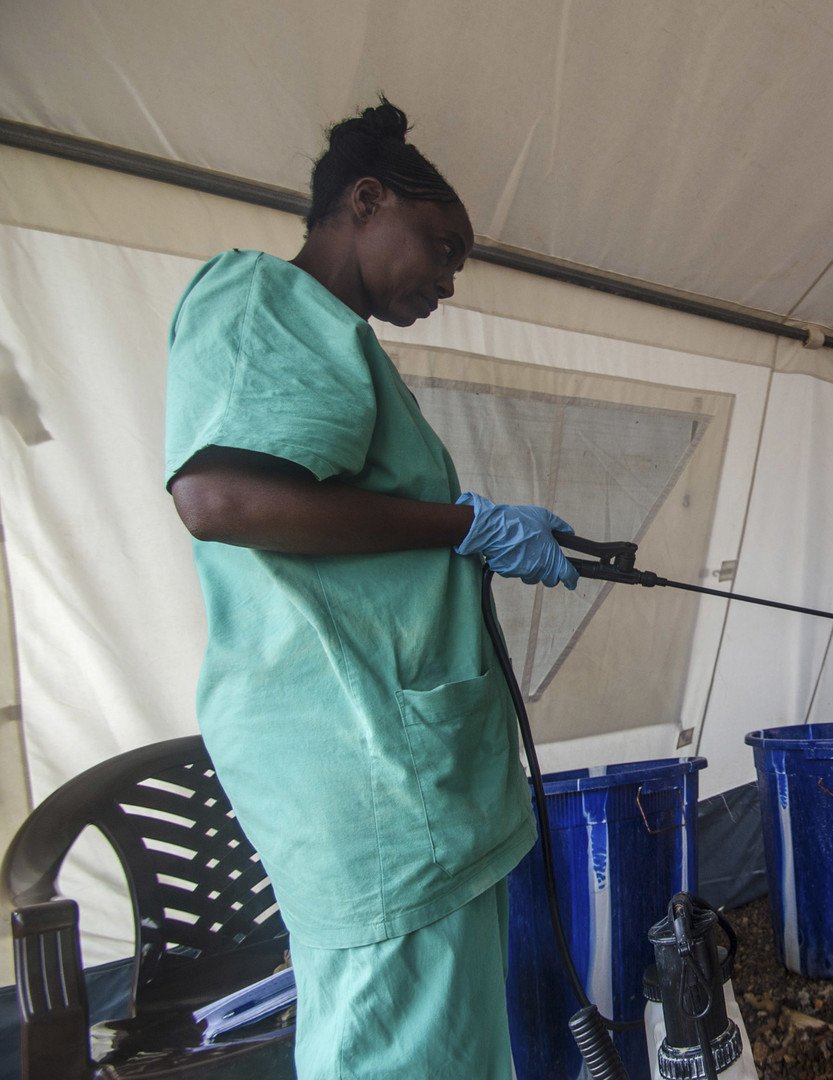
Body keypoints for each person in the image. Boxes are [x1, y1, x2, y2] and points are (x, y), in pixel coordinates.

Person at [165, 100, 576, 1077]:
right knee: (398, 1049)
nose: (448, 278)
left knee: (447, 1046)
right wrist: (465, 525)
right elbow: (220, 498)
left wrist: (468, 526)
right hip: (370, 778)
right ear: (365, 200)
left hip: (411, 775)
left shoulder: (337, 342)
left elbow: (359, 532)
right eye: (442, 246)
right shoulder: (262, 298)